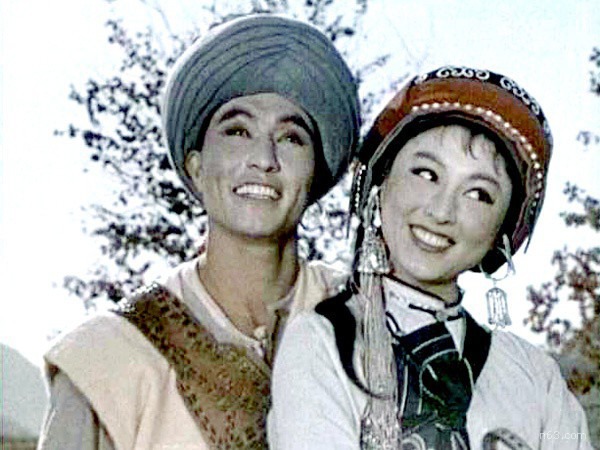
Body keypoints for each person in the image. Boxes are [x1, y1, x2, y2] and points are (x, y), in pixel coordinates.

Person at [37, 14, 360, 450]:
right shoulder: (106, 359)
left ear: (316, 173)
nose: (264, 159)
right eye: (238, 131)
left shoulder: (366, 320)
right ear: (196, 167)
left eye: (291, 138)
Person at [269, 66, 593, 449]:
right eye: (426, 173)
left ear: (501, 234)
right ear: (380, 185)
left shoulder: (535, 378)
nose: (441, 211)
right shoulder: (322, 343)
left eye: (478, 194)